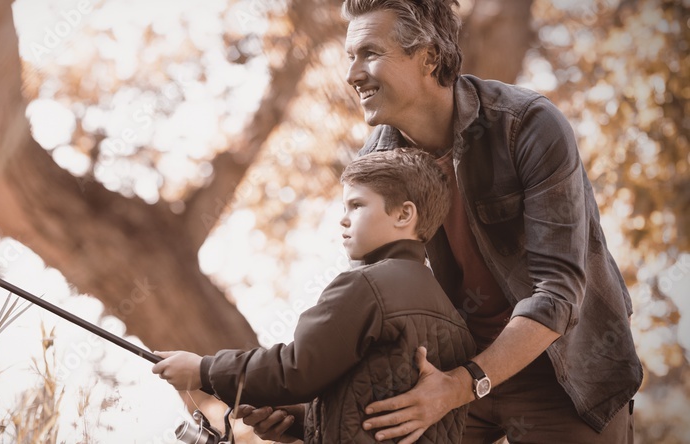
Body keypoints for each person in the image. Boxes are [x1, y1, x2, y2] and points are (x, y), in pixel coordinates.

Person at [240, 1, 643, 443]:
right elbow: (371, 308)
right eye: (349, 57)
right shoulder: (375, 163)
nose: (351, 74)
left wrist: (461, 385)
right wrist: (306, 412)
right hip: (447, 369)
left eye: (369, 53)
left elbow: (558, 292)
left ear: (429, 57)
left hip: (561, 368)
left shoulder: (526, 125)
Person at [152, 149, 477, 443]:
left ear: (404, 215)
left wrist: (204, 371)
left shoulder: (366, 287)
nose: (343, 218)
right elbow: (374, 416)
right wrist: (298, 422)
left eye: (357, 205)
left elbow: (295, 369)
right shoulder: (455, 320)